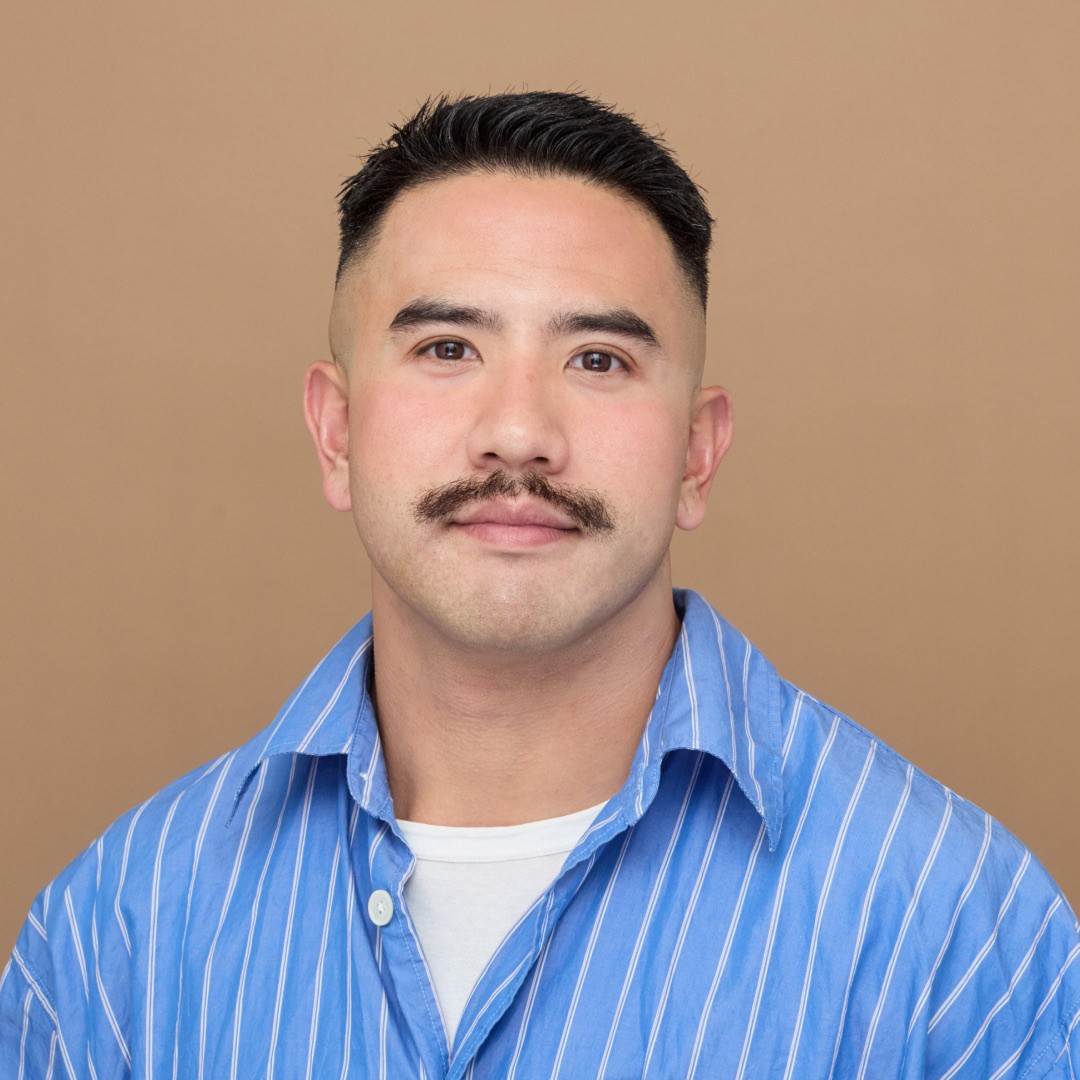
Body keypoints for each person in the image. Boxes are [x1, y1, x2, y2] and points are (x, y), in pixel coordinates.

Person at [2, 91, 1077, 1080]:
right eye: (446, 347)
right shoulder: (119, 933)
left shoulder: (958, 930)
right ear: (335, 434)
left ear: (698, 455)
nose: (518, 433)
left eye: (599, 360)